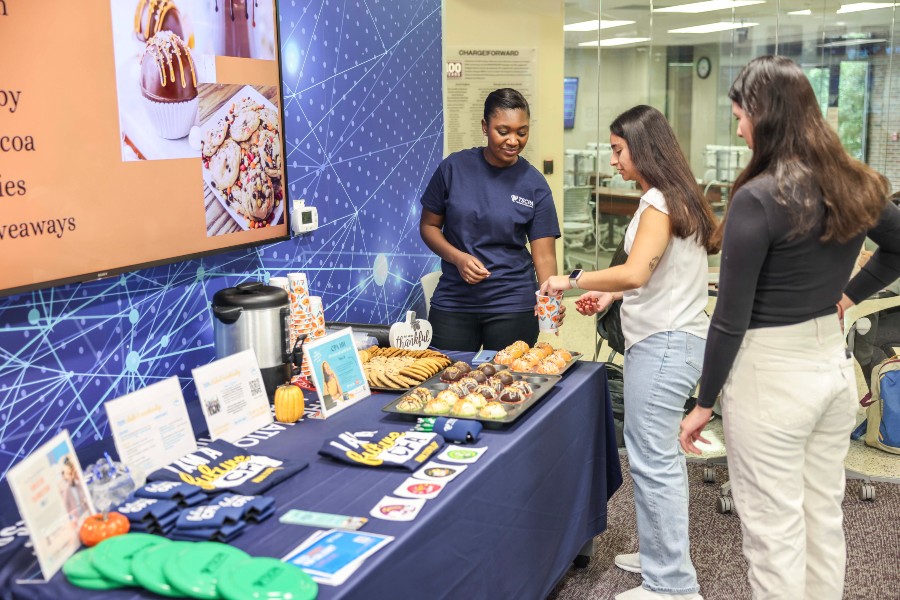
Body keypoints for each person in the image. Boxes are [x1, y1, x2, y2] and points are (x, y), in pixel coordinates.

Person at [679, 55, 900, 600]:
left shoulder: (758, 197)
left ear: (766, 114)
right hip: (832, 372)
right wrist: (847, 294)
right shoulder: (858, 182)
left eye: (740, 115)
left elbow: (730, 318)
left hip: (771, 377)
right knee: (821, 517)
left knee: (773, 533)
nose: (737, 128)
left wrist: (704, 403)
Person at [542, 104, 718, 600]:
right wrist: (613, 294)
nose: (613, 161)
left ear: (642, 149)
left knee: (653, 459)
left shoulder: (660, 202)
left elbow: (637, 270)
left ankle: (672, 586)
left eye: (618, 151)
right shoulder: (673, 197)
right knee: (654, 456)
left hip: (664, 346)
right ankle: (661, 556)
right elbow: (654, 274)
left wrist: (572, 280)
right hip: (670, 337)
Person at [419, 88, 560, 351]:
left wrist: (549, 302)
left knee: (509, 384)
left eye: (522, 132)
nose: (513, 140)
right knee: (446, 381)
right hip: (454, 300)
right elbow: (428, 226)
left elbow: (544, 256)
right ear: (485, 127)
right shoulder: (453, 168)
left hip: (513, 303)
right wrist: (457, 258)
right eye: (503, 131)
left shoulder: (534, 184)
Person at [61, 456, 90, 523]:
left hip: (86, 513)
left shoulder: (79, 485)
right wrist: (71, 518)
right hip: (77, 518)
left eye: (72, 473)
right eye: (69, 474)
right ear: (65, 476)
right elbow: (66, 507)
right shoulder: (66, 491)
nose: (71, 476)